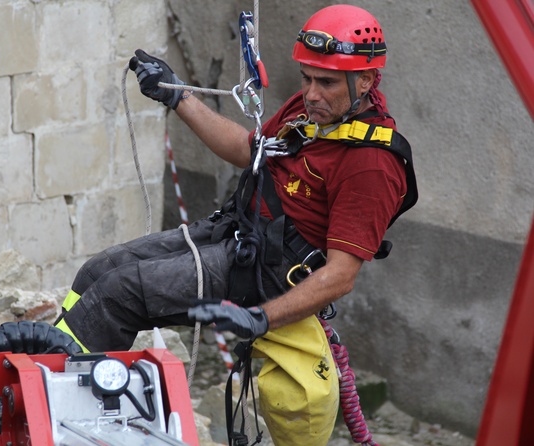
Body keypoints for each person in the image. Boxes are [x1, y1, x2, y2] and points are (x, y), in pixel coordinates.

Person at [54, 4, 417, 445]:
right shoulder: (309, 115)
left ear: (366, 80)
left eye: (326, 82)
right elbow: (249, 151)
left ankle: (58, 409)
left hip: (266, 275)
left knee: (120, 293)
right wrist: (177, 96)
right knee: (97, 270)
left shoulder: (371, 164)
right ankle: (51, 360)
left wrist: (259, 320)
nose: (311, 93)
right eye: (306, 78)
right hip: (239, 234)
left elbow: (340, 276)